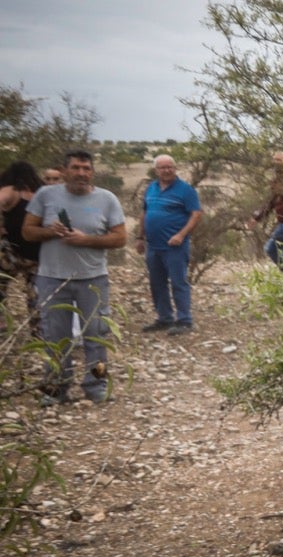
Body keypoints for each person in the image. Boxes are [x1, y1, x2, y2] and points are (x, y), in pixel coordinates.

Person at [23, 150, 127, 405]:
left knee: (96, 335)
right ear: (65, 170)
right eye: (76, 168)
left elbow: (120, 238)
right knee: (55, 337)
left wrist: (87, 240)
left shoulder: (107, 199)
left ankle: (97, 385)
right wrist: (49, 231)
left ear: (92, 172)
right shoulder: (46, 195)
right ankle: (56, 387)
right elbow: (27, 232)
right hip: (52, 278)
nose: (81, 173)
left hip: (93, 279)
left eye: (86, 168)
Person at [135, 155, 203, 334]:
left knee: (178, 282)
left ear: (175, 168)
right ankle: (164, 318)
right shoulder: (151, 188)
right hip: (153, 245)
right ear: (156, 170)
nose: (166, 170)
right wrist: (140, 237)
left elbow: (196, 214)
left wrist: (181, 235)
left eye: (170, 167)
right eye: (162, 168)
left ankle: (184, 321)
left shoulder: (185, 190)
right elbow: (145, 212)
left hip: (175, 247)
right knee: (157, 283)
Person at [0, 161, 43, 331]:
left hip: (11, 251)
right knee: (36, 293)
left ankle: (1, 322)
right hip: (36, 253)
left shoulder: (11, 191)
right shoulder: (42, 191)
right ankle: (38, 329)